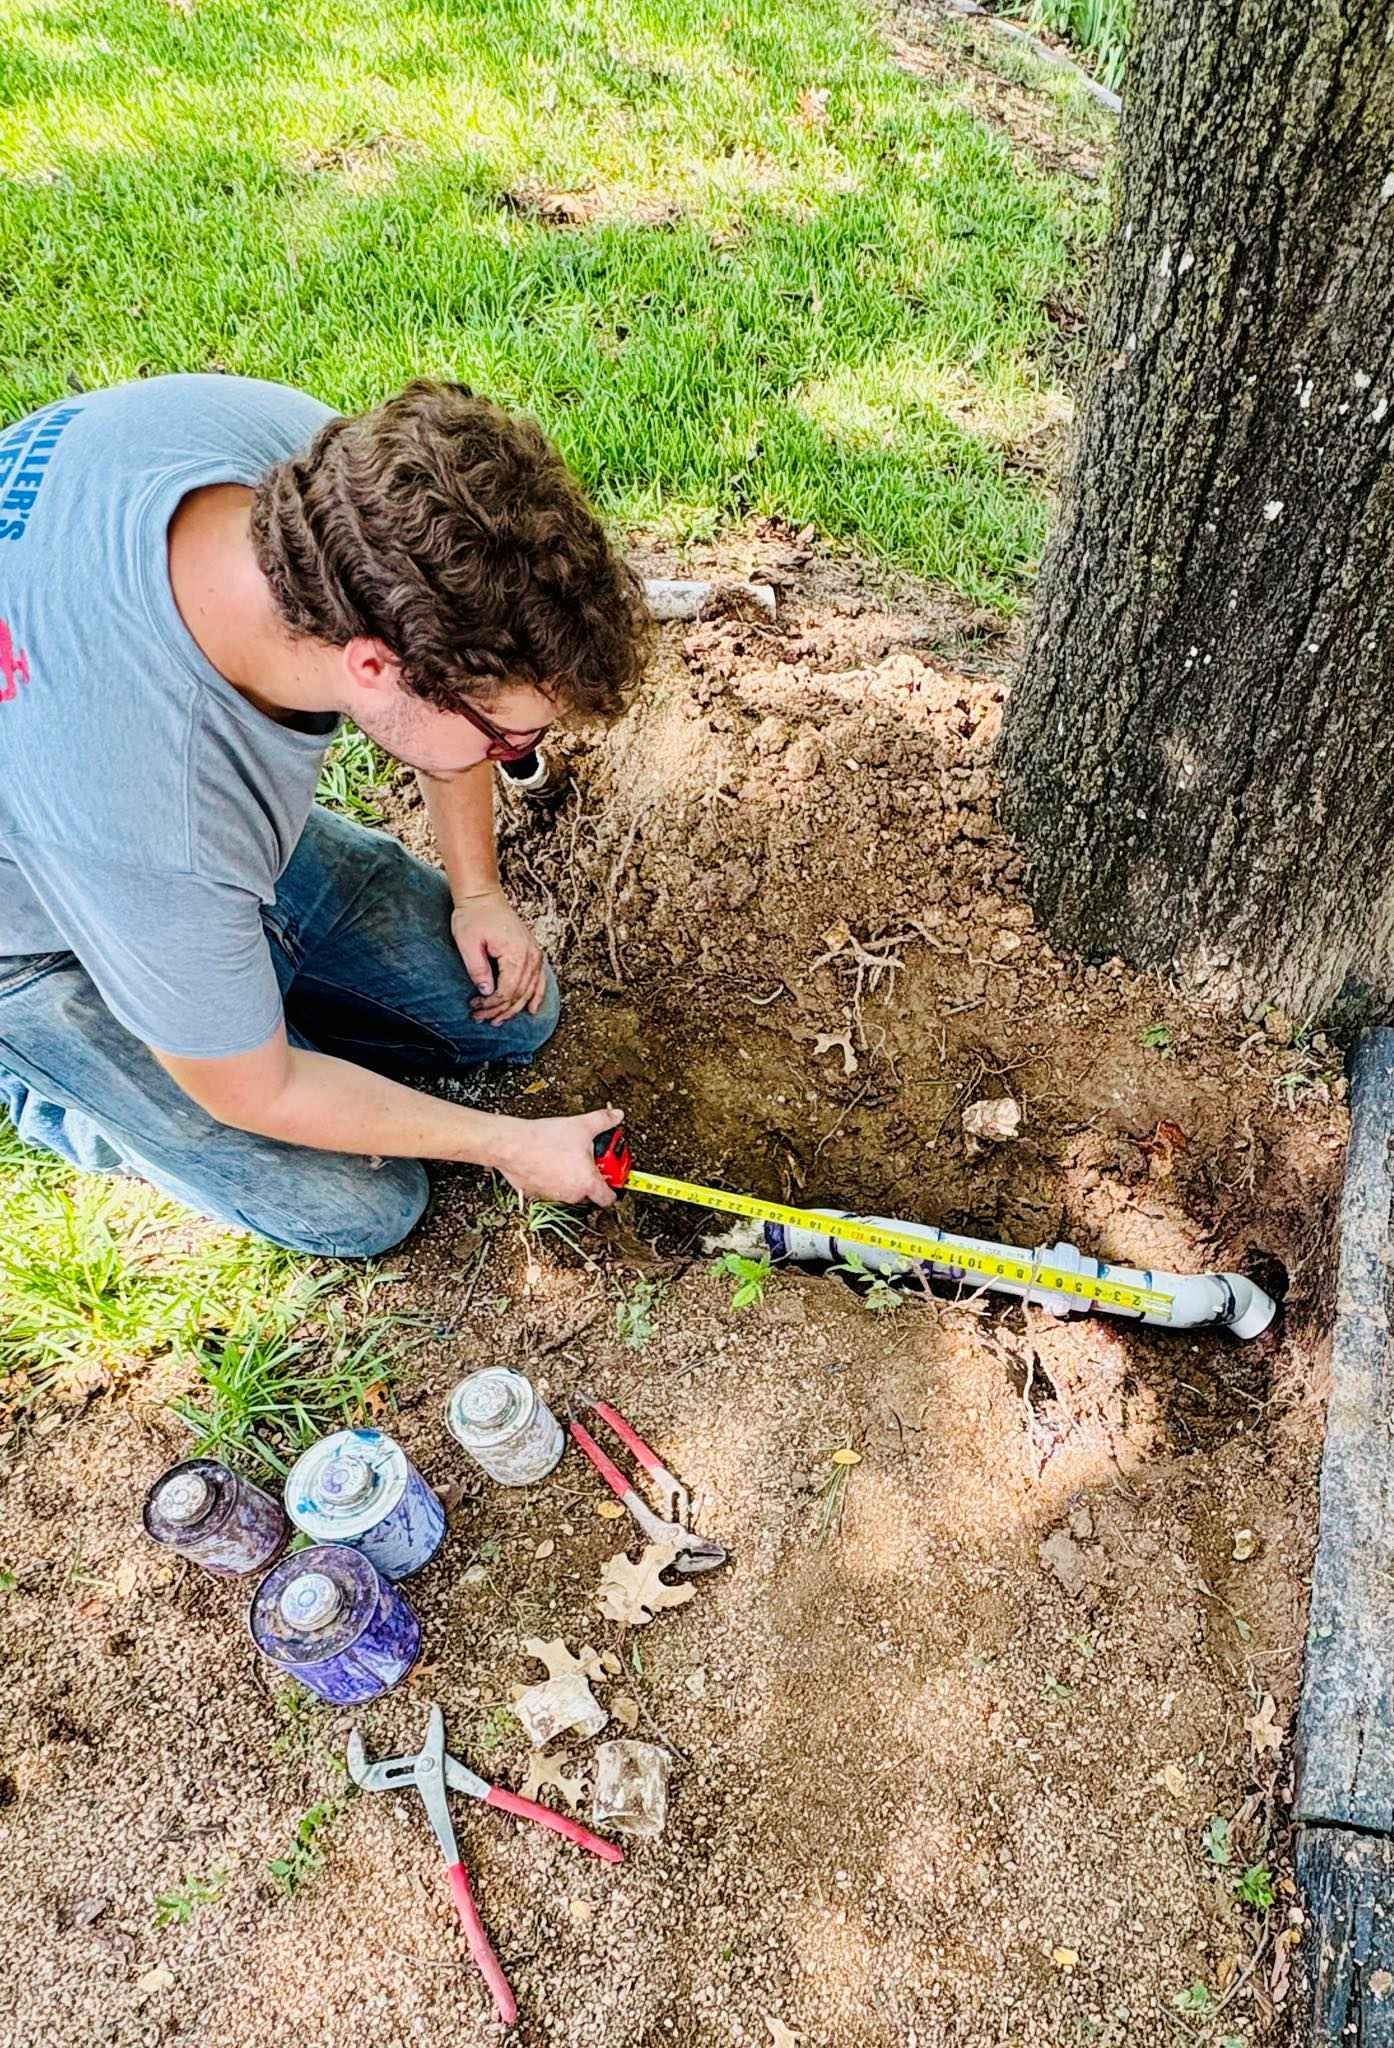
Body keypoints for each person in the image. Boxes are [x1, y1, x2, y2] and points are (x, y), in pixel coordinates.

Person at [0, 373, 649, 1255]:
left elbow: (445, 690)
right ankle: (66, 1092)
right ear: (377, 670)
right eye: (505, 740)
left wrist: (479, 891)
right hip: (34, 937)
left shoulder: (325, 491)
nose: (512, 758)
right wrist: (507, 1145)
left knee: (514, 1014)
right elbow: (251, 1093)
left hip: (147, 838)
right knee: (360, 1205)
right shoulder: (157, 817)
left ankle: (222, 983)